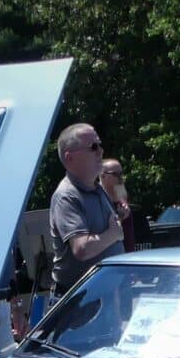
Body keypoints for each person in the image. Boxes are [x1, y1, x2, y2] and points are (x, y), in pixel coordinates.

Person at [48, 124, 124, 301]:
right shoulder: (66, 196)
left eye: (100, 145)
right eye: (93, 147)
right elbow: (82, 249)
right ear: (70, 158)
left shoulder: (97, 189)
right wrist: (113, 234)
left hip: (105, 297)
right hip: (78, 303)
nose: (101, 151)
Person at [100, 158, 136, 253]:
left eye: (121, 174)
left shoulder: (121, 192)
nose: (120, 177)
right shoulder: (98, 199)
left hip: (127, 256)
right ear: (103, 175)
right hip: (110, 257)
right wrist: (120, 217)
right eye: (115, 174)